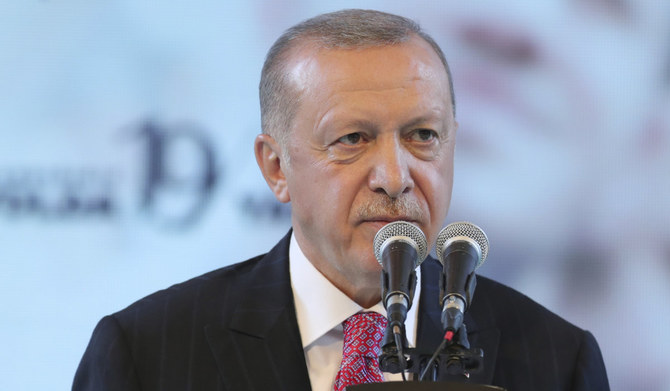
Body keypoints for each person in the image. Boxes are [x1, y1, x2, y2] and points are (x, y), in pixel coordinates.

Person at [72, 9, 609, 391]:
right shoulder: (146, 354)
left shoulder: (555, 359)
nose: (396, 177)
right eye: (352, 139)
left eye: (423, 136)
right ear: (276, 167)